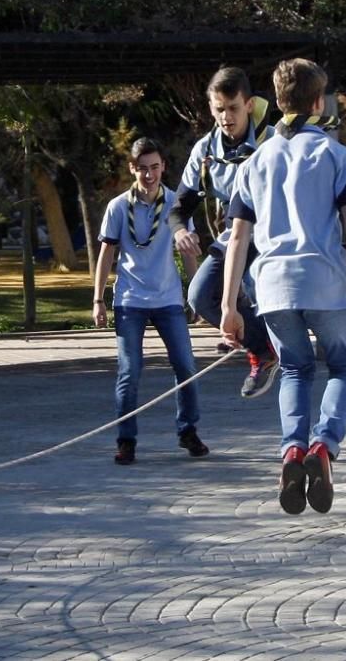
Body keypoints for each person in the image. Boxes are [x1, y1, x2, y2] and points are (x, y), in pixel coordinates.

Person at [220, 59, 346, 515]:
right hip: (324, 281)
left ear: (277, 102)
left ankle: (292, 450)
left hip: (271, 286)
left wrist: (228, 307)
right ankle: (323, 447)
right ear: (319, 102)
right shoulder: (338, 156)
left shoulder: (254, 163)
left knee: (295, 369)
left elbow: (238, 237)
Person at [93, 137, 209, 465]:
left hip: (168, 298)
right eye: (142, 169)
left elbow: (187, 252)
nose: (149, 175)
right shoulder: (118, 207)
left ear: (163, 167)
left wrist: (194, 294)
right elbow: (107, 254)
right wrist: (98, 299)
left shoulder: (176, 204)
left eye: (155, 167)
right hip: (129, 299)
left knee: (186, 366)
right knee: (130, 370)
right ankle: (126, 440)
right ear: (132, 169)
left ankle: (188, 430)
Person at [168, 66, 280, 399]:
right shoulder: (205, 152)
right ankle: (263, 350)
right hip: (234, 239)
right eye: (219, 109)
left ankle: (293, 352)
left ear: (248, 104)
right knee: (199, 296)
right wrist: (179, 233)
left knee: (272, 298)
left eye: (232, 108)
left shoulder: (275, 142)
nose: (226, 117)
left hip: (275, 237)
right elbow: (179, 208)